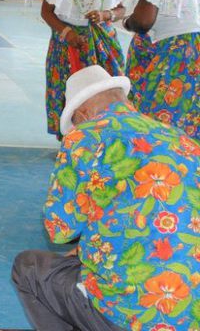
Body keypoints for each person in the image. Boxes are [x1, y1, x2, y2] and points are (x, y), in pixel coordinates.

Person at [13, 65, 200, 331]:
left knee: (29, 268)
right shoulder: (184, 141)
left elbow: (59, 229)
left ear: (83, 113)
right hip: (190, 312)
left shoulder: (84, 137)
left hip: (134, 313)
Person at [38, 0, 126, 139]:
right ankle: (69, 137)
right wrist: (67, 33)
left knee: (103, 85)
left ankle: (103, 133)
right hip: (66, 40)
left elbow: (122, 9)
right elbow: (46, 12)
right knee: (66, 85)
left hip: (101, 38)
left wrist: (106, 14)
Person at [120, 0, 200, 139]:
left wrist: (127, 22)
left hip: (169, 58)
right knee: (190, 122)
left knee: (155, 125)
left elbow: (144, 21)